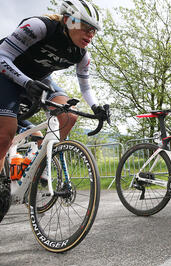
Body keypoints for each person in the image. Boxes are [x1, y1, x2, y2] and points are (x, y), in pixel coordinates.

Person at [0, 0, 110, 175]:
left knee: (69, 115)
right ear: (68, 20)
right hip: (6, 75)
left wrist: (96, 108)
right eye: (86, 27)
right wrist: (26, 82)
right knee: (6, 134)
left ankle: (41, 167)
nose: (90, 34)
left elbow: (85, 87)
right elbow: (2, 55)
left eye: (94, 30)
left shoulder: (81, 54)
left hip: (39, 80)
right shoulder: (39, 27)